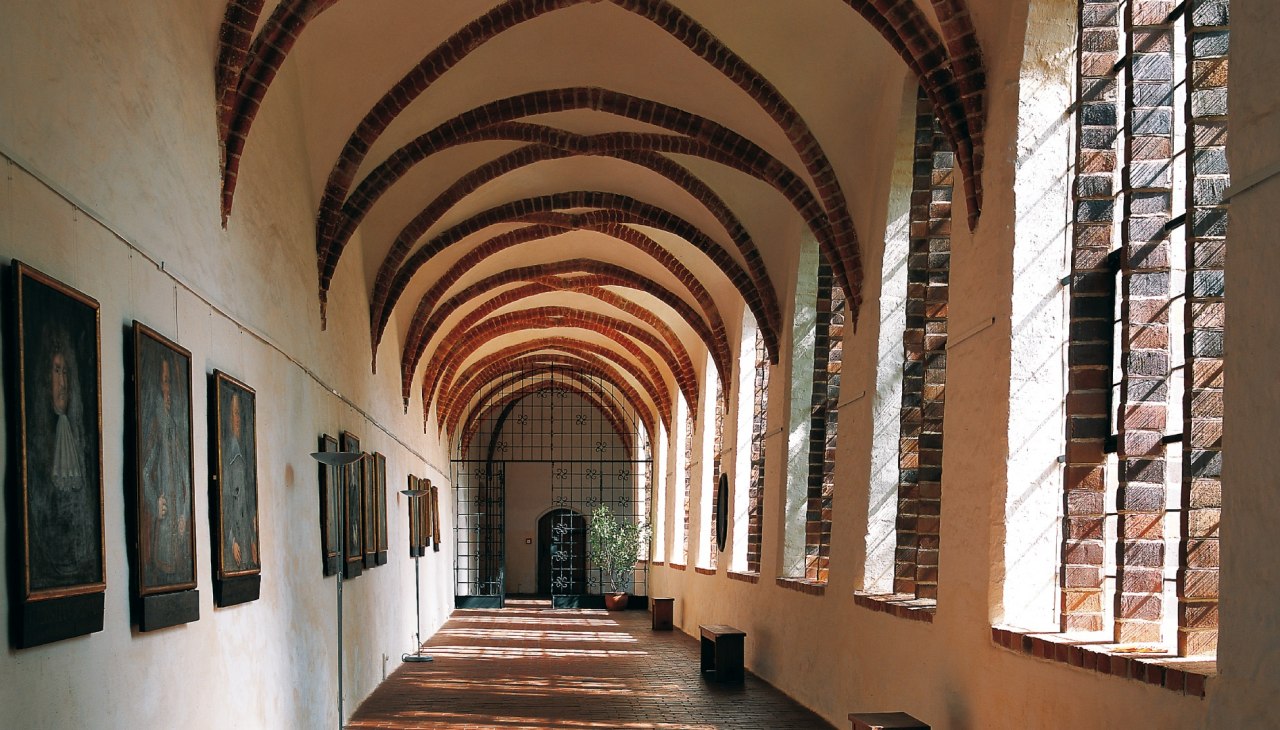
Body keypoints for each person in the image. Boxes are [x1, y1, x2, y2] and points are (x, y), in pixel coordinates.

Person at [28, 328, 99, 590]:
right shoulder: (39, 442)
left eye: (66, 372)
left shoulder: (79, 439)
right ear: (46, 379)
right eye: (57, 371)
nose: (63, 382)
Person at [141, 356, 191, 587]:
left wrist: (184, 512)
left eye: (170, 382)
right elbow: (145, 471)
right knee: (161, 576)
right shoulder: (156, 425)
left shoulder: (175, 428)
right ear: (158, 387)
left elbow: (186, 476)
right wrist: (155, 502)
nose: (168, 388)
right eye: (164, 381)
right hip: (162, 529)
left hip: (178, 534)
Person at [222, 389, 258, 572]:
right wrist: (231, 541)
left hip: (244, 537)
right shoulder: (227, 456)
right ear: (227, 418)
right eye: (234, 414)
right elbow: (225, 503)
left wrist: (252, 538)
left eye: (239, 414)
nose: (237, 419)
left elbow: (246, 502)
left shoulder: (242, 454)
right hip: (235, 542)